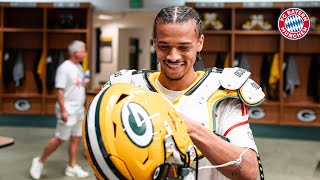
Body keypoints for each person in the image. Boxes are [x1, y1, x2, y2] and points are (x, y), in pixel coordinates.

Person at [30, 40, 90, 179]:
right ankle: (39, 161)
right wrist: (63, 110)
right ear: (76, 53)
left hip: (78, 109)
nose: (85, 53)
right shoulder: (64, 68)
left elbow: (77, 86)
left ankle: (72, 166)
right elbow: (60, 91)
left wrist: (85, 82)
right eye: (83, 51)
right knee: (60, 139)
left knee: (76, 138)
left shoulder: (79, 67)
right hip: (68, 110)